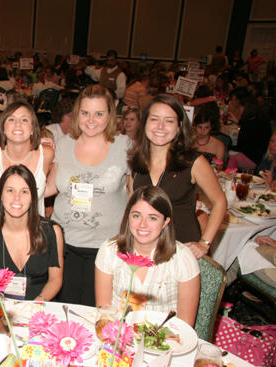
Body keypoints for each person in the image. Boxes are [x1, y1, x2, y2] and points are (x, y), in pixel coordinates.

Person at [46, 85, 132, 306]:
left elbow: (135, 196)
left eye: (99, 114)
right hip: (64, 245)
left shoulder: (125, 147)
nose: (91, 120)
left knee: (98, 313)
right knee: (65, 311)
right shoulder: (63, 145)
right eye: (85, 113)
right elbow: (49, 188)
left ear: (110, 115)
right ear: (76, 115)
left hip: (107, 248)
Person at [129, 94, 226, 259]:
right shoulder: (137, 162)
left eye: (169, 121)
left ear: (179, 127)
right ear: (144, 123)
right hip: (146, 251)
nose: (160, 126)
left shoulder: (193, 162)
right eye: (154, 119)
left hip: (182, 251)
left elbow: (220, 202)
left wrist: (205, 243)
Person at [95, 186, 200, 326]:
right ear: (128, 217)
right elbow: (103, 311)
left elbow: (186, 324)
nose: (142, 224)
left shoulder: (183, 258)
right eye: (136, 216)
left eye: (152, 218)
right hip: (118, 333)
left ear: (165, 222)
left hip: (163, 338)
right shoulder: (109, 250)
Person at [0, 165, 64, 301]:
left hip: (39, 308)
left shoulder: (52, 232)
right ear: (0, 195)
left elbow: (55, 280)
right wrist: (2, 311)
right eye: (10, 190)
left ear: (33, 197)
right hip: (0, 308)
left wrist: (35, 306)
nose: (17, 198)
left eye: (24, 192)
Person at [0, 101, 54, 219]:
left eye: (24, 120)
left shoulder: (46, 154)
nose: (17, 124)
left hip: (33, 232)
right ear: (3, 128)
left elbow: (61, 180)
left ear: (32, 129)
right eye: (11, 119)